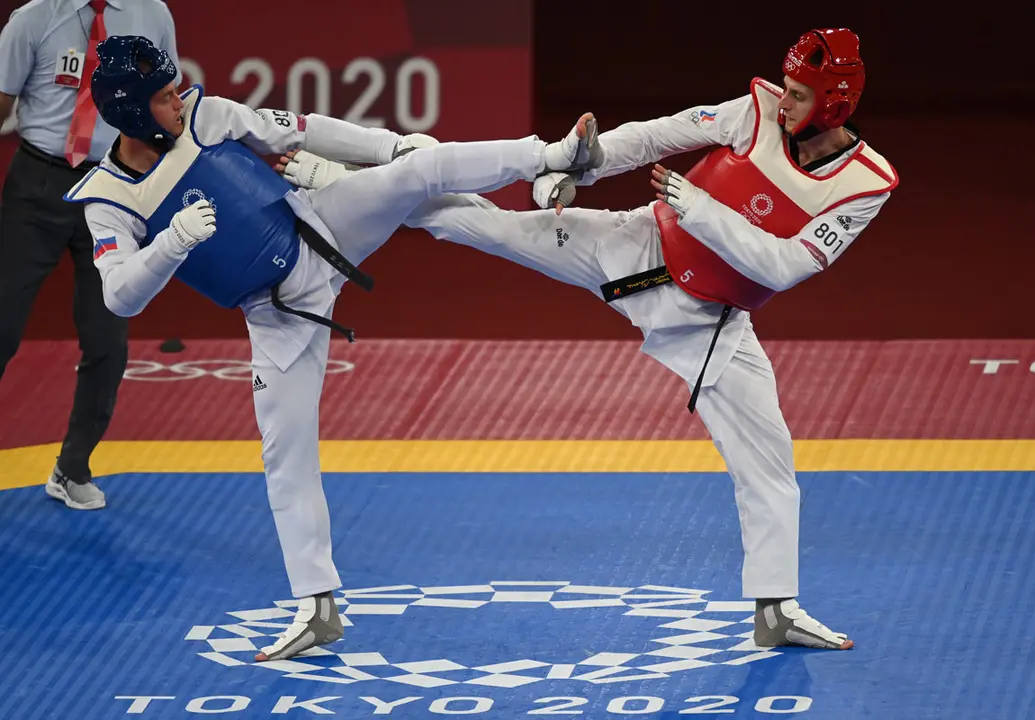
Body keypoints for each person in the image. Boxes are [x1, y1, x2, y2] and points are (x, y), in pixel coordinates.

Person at [280, 28, 897, 651]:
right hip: (640, 256)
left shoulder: (863, 184)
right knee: (485, 227)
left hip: (714, 325)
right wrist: (582, 164)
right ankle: (343, 173)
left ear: (835, 102)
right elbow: (658, 134)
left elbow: (783, 266)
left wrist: (700, 208)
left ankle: (777, 610)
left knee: (770, 465)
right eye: (786, 89)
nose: (785, 102)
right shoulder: (756, 111)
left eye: (799, 95)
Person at [63, 34, 603, 661]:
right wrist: (170, 242)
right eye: (161, 98)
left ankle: (556, 156)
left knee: (420, 171)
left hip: (320, 226)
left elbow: (303, 129)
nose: (177, 102)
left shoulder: (206, 115)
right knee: (285, 455)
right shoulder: (108, 200)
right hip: (275, 315)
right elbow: (120, 298)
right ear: (129, 113)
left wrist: (389, 146)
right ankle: (317, 607)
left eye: (175, 90)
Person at [0, 0, 178, 510]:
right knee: (2, 327)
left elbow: (168, 102)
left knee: (107, 338)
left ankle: (72, 467)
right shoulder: (34, 18)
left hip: (112, 188)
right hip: (37, 183)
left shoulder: (153, 15)